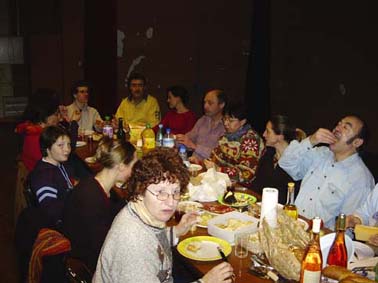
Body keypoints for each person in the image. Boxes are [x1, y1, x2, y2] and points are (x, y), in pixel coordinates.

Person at [93, 148, 234, 283]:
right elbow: (143, 246)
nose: (171, 202)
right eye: (161, 192)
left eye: (176, 192)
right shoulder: (132, 243)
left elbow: (152, 241)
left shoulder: (142, 214)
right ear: (140, 190)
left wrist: (176, 231)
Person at [279, 115, 375, 229]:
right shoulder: (321, 153)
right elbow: (285, 163)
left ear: (357, 142)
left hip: (320, 239)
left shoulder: (360, 179)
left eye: (346, 127)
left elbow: (348, 227)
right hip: (291, 224)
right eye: (339, 123)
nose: (337, 128)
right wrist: (311, 140)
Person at [63, 138, 137, 272]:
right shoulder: (91, 198)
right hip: (91, 264)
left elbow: (118, 212)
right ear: (121, 166)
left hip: (94, 253)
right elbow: (102, 246)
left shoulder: (96, 185)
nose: (135, 171)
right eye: (133, 165)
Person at [203, 101, 265, 187]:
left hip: (245, 187)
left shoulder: (251, 140)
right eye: (224, 119)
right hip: (225, 182)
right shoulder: (227, 136)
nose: (225, 123)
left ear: (243, 122)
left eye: (231, 120)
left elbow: (246, 174)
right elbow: (215, 158)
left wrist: (218, 169)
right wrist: (205, 163)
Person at [28, 126, 74, 228]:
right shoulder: (43, 176)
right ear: (47, 148)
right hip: (60, 224)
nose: (67, 149)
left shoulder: (59, 164)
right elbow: (51, 211)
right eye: (60, 145)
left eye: (68, 144)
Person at [252, 115, 303, 204]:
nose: (263, 134)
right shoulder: (268, 155)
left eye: (268, 132)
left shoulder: (294, 164)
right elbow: (257, 184)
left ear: (280, 136)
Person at [15, 89, 61, 171]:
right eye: (56, 114)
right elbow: (51, 169)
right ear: (44, 114)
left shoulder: (32, 129)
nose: (59, 118)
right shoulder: (37, 138)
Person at [176, 89, 226, 162]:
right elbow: (189, 139)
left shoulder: (227, 126)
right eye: (204, 102)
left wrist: (194, 146)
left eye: (210, 103)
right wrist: (175, 140)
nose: (205, 106)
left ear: (221, 105)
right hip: (194, 164)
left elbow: (219, 155)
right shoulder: (203, 120)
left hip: (213, 168)